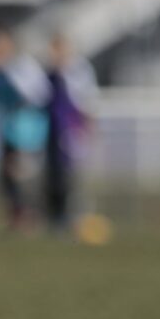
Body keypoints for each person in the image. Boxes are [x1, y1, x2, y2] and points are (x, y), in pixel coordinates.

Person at [0, 27, 51, 231]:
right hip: (8, 129)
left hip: (28, 132)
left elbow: (37, 94)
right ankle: (18, 217)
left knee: (22, 175)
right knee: (7, 176)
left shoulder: (22, 66)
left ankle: (31, 217)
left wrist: (4, 72)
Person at [41, 31, 98, 231]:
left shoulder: (79, 71)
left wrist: (88, 127)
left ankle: (75, 218)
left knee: (71, 177)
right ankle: (56, 217)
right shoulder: (48, 72)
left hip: (72, 130)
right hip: (52, 130)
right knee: (53, 176)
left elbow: (87, 101)